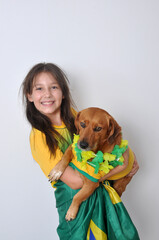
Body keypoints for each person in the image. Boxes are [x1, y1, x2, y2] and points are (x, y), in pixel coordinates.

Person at [22, 62, 140, 240]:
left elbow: (105, 142)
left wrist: (128, 157)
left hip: (101, 197)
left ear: (63, 92)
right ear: (29, 95)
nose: (47, 94)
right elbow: (76, 182)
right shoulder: (39, 136)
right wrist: (118, 168)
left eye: (53, 87)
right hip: (74, 201)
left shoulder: (74, 115)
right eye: (39, 88)